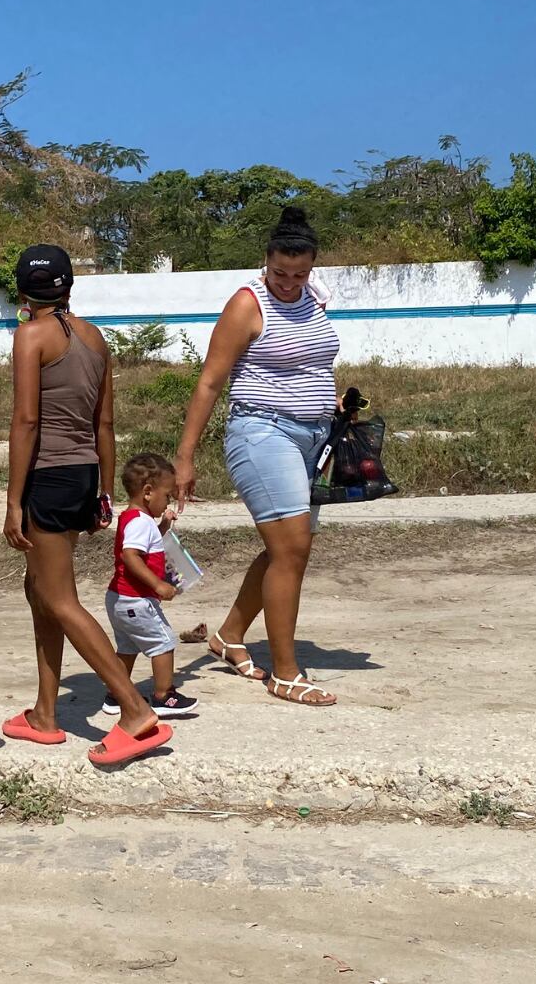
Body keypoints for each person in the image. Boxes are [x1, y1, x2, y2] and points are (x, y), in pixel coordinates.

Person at [0, 244, 175, 766]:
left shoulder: (30, 335)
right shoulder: (96, 338)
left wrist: (13, 501)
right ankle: (44, 713)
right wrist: (103, 490)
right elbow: (105, 424)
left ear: (22, 292)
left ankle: (135, 710)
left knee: (59, 599)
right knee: (39, 590)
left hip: (47, 477)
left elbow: (26, 421)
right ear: (69, 286)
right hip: (80, 475)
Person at [173, 207, 342, 707]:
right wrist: (185, 456)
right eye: (280, 273)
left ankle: (228, 636)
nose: (288, 283)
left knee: (286, 549)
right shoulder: (247, 304)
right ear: (265, 261)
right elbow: (210, 382)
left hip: (315, 437)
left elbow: (313, 360)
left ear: (311, 268)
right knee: (291, 550)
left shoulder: (314, 299)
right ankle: (285, 673)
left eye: (299, 274)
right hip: (262, 433)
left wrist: (330, 402)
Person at [101, 453, 199, 718]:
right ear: (147, 492)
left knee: (127, 647)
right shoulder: (140, 522)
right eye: (166, 495)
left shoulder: (132, 518)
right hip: (137, 600)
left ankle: (116, 695)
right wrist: (158, 584)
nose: (167, 500)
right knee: (164, 642)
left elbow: (146, 542)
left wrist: (164, 524)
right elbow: (130, 556)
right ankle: (163, 696)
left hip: (119, 598)